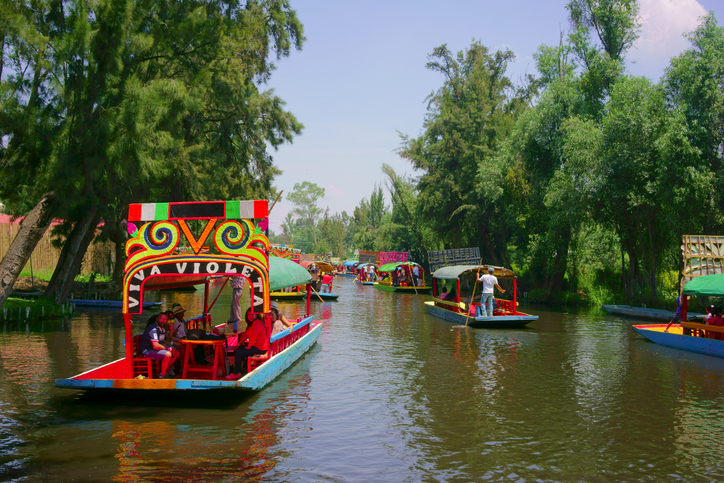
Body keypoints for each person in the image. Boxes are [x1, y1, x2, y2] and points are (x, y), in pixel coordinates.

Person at [225, 312, 270, 380]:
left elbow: (253, 336)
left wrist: (249, 346)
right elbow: (245, 335)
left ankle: (235, 373)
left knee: (239, 352)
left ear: (256, 315)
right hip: (256, 346)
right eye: (249, 315)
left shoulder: (257, 322)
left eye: (252, 314)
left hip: (260, 348)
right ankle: (240, 369)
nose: (250, 316)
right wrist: (239, 344)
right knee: (238, 349)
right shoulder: (251, 324)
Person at [139, 312, 180, 379]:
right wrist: (168, 349)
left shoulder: (163, 328)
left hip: (155, 349)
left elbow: (162, 341)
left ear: (167, 321)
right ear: (157, 319)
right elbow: (156, 345)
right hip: (147, 350)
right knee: (168, 354)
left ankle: (163, 372)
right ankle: (162, 376)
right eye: (161, 319)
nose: (163, 321)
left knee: (176, 353)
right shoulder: (153, 329)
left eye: (165, 319)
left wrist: (171, 347)